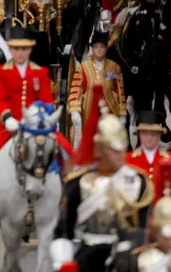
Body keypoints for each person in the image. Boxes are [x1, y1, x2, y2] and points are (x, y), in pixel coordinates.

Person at [0, 27, 68, 211]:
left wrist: (44, 113)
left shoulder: (40, 73)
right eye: (16, 49)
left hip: (34, 123)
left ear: (30, 50)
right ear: (11, 50)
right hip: (4, 123)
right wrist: (7, 117)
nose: (20, 53)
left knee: (65, 150)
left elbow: (47, 100)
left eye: (24, 49)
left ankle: (66, 193)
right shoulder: (0, 72)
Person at [50, 93, 153, 272]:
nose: (121, 154)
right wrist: (63, 262)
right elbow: (63, 231)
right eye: (114, 149)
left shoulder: (138, 182)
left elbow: (143, 227)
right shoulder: (78, 183)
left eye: (122, 147)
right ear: (100, 149)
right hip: (89, 257)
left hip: (125, 259)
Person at [68, 32, 126, 146]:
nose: (99, 50)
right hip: (89, 110)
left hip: (110, 110)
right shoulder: (82, 68)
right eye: (96, 47)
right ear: (92, 49)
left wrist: (122, 112)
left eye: (102, 47)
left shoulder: (114, 67)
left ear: (106, 49)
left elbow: (119, 90)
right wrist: (74, 109)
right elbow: (75, 89)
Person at [126, 112, 171, 200]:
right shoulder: (128, 161)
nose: (149, 137)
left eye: (153, 133)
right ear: (139, 134)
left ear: (160, 134)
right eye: (145, 133)